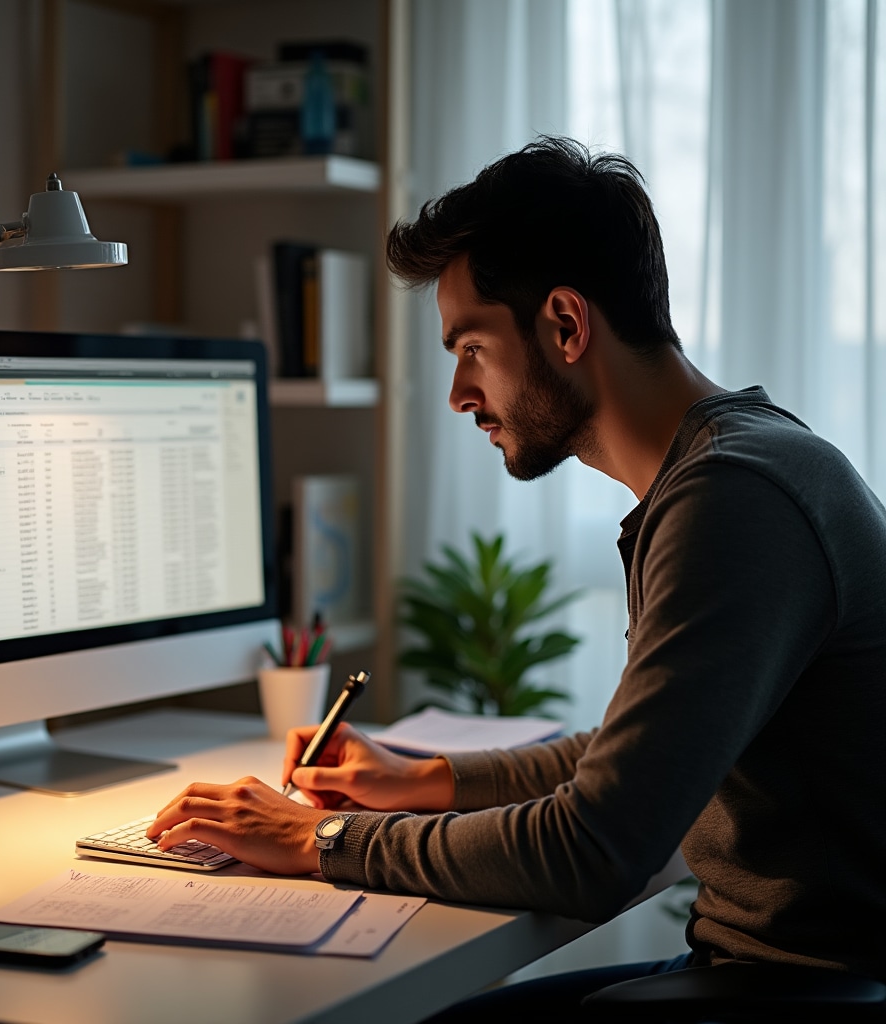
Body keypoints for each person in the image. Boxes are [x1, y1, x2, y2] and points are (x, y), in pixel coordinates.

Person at [148, 136, 886, 1016]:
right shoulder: (739, 462)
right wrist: (425, 780)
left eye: (471, 348)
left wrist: (324, 837)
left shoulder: (734, 498)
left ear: (566, 325)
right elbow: (634, 754)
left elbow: (596, 847)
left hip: (799, 989)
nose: (461, 393)